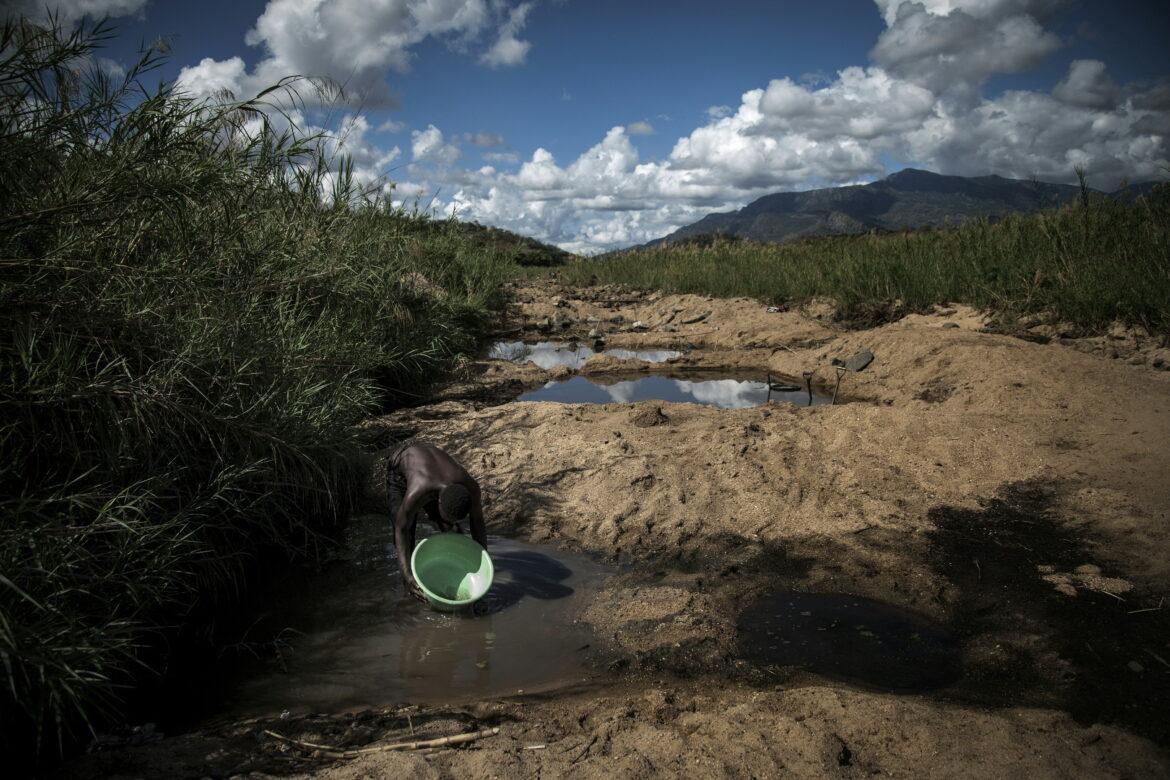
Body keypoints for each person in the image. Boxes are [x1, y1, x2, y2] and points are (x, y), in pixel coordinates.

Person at [386, 440, 488, 600]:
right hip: (400, 466)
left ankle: (448, 566)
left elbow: (478, 522)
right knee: (407, 532)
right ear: (438, 501)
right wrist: (407, 574)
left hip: (431, 466)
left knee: (450, 529)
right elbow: (401, 528)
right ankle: (410, 590)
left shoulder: (472, 488)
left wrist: (483, 564)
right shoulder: (418, 492)